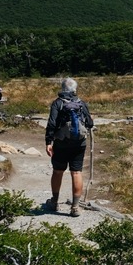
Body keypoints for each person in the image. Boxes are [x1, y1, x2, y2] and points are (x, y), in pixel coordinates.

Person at [44, 77, 94, 216]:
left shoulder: (57, 103)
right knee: (76, 172)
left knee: (58, 171)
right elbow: (89, 123)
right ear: (74, 90)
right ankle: (75, 207)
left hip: (61, 143)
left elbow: (52, 124)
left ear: (62, 88)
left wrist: (49, 142)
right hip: (79, 143)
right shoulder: (81, 103)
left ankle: (54, 202)